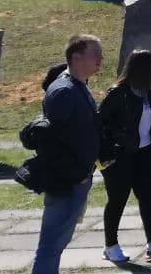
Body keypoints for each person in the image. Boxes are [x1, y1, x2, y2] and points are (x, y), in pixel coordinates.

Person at [31, 35, 103, 274]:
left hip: (76, 177)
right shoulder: (64, 91)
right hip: (66, 180)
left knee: (57, 242)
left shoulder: (79, 85)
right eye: (95, 53)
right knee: (51, 244)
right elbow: (48, 142)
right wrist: (76, 176)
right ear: (76, 56)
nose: (100, 58)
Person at [96, 49, 151, 263]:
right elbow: (100, 121)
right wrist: (115, 140)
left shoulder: (150, 90)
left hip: (145, 151)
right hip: (121, 154)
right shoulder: (118, 92)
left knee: (148, 198)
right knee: (117, 199)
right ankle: (110, 245)